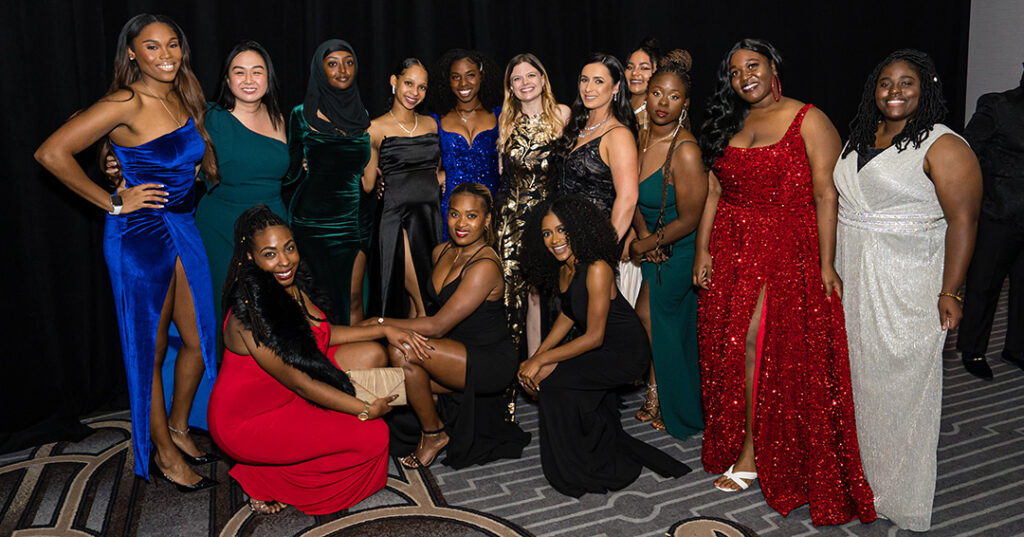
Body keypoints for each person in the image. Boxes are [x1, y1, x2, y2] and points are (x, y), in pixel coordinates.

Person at [34, 13, 219, 489]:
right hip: (138, 235)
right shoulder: (126, 100)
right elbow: (51, 153)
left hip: (182, 225)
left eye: (173, 44)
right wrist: (114, 199)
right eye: (152, 47)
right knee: (149, 350)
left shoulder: (183, 91)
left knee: (198, 340)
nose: (165, 55)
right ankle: (162, 452)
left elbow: (182, 154)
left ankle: (177, 425)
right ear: (132, 53)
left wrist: (181, 174)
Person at [694, 38, 875, 524]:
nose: (743, 77)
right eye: (734, 72)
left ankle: (755, 453)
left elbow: (826, 194)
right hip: (733, 246)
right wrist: (703, 249)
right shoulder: (732, 121)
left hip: (785, 246)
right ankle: (742, 437)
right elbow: (713, 190)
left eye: (752, 65)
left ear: (773, 66)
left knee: (762, 342)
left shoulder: (809, 119)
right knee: (730, 347)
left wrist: (825, 262)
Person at [835, 49, 981, 531]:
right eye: (885, 83)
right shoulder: (861, 134)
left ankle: (896, 490)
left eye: (906, 83)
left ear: (927, 89)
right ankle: (854, 473)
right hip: (851, 270)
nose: (894, 92)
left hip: (906, 281)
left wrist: (951, 292)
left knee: (898, 383)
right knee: (852, 375)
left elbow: (964, 220)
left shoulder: (944, 145)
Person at [208, 205, 424, 514]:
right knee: (375, 436)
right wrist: (365, 409)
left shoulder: (291, 284)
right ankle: (259, 476)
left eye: (289, 248)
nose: (285, 261)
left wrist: (385, 327)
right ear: (250, 258)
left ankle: (276, 465)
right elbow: (302, 382)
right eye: (270, 254)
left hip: (286, 398)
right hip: (247, 420)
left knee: (372, 352)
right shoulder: (250, 316)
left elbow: (323, 333)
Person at [518, 195, 690, 497]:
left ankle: (585, 466)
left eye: (561, 230)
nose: (554, 240)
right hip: (598, 347)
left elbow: (594, 336)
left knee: (553, 382)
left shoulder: (597, 268)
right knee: (549, 379)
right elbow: (569, 315)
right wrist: (539, 356)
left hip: (625, 354)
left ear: (578, 228)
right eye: (546, 233)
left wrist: (540, 362)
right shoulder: (564, 268)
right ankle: (583, 452)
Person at [366, 183, 530, 469]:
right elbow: (427, 311)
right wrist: (393, 328)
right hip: (453, 350)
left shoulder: (485, 266)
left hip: (488, 358)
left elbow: (439, 325)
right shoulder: (441, 252)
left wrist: (379, 323)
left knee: (403, 351)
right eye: (454, 214)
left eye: (471, 216)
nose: (461, 224)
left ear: (487, 219)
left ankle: (433, 435)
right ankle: (434, 420)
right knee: (400, 360)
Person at [628, 49, 706, 439]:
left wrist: (646, 245)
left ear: (685, 103)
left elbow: (691, 217)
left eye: (673, 97)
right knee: (652, 320)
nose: (663, 103)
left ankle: (681, 406)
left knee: (663, 323)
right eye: (657, 93)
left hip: (680, 250)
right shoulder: (641, 138)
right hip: (654, 243)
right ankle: (658, 392)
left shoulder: (686, 150)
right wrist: (643, 236)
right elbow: (634, 195)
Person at [197, 40, 289, 324]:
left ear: (268, 77)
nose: (249, 80)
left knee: (273, 315)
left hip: (272, 228)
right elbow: (178, 163)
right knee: (228, 315)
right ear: (227, 79)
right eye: (239, 72)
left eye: (257, 71)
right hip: (222, 229)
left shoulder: (279, 118)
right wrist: (120, 171)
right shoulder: (210, 118)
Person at [286, 39, 372, 326]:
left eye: (349, 63)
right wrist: (302, 166)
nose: (343, 70)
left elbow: (368, 170)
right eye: (333, 64)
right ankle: (319, 365)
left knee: (353, 297)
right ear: (320, 69)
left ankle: (357, 365)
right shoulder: (300, 114)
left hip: (351, 222)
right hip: (309, 223)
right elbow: (289, 172)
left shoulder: (363, 116)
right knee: (312, 299)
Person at [496, 53, 571, 355]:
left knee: (544, 293)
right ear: (510, 87)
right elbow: (502, 175)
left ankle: (541, 364)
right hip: (511, 220)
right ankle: (512, 369)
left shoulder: (562, 115)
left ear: (542, 79)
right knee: (511, 295)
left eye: (531, 75)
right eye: (517, 78)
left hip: (548, 220)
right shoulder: (505, 121)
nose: (525, 83)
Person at [957, 63, 1024, 378]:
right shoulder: (998, 104)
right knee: (984, 284)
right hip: (997, 212)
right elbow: (967, 149)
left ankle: (1016, 348)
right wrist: (985, 194)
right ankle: (972, 349)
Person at [560, 53, 642, 305]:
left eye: (598, 81)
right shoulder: (577, 126)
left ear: (616, 87)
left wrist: (603, 252)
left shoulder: (618, 134)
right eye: (584, 80)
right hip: (566, 243)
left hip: (595, 245)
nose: (588, 88)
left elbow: (627, 199)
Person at [364, 58, 442, 320]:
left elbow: (435, 169)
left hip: (431, 219)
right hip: (396, 220)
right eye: (409, 83)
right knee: (422, 300)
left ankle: (409, 359)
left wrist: (440, 178)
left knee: (421, 300)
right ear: (393, 81)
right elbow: (367, 184)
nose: (414, 92)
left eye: (422, 87)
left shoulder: (432, 125)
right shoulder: (374, 128)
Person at [430, 49, 503, 240]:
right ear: (448, 81)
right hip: (453, 210)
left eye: (470, 75)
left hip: (494, 208)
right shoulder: (436, 121)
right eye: (456, 77)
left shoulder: (501, 116)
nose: (463, 83)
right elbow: (422, 164)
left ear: (481, 76)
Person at [625, 37, 661, 134]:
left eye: (644, 68)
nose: (635, 73)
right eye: (630, 67)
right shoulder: (615, 107)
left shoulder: (658, 116)